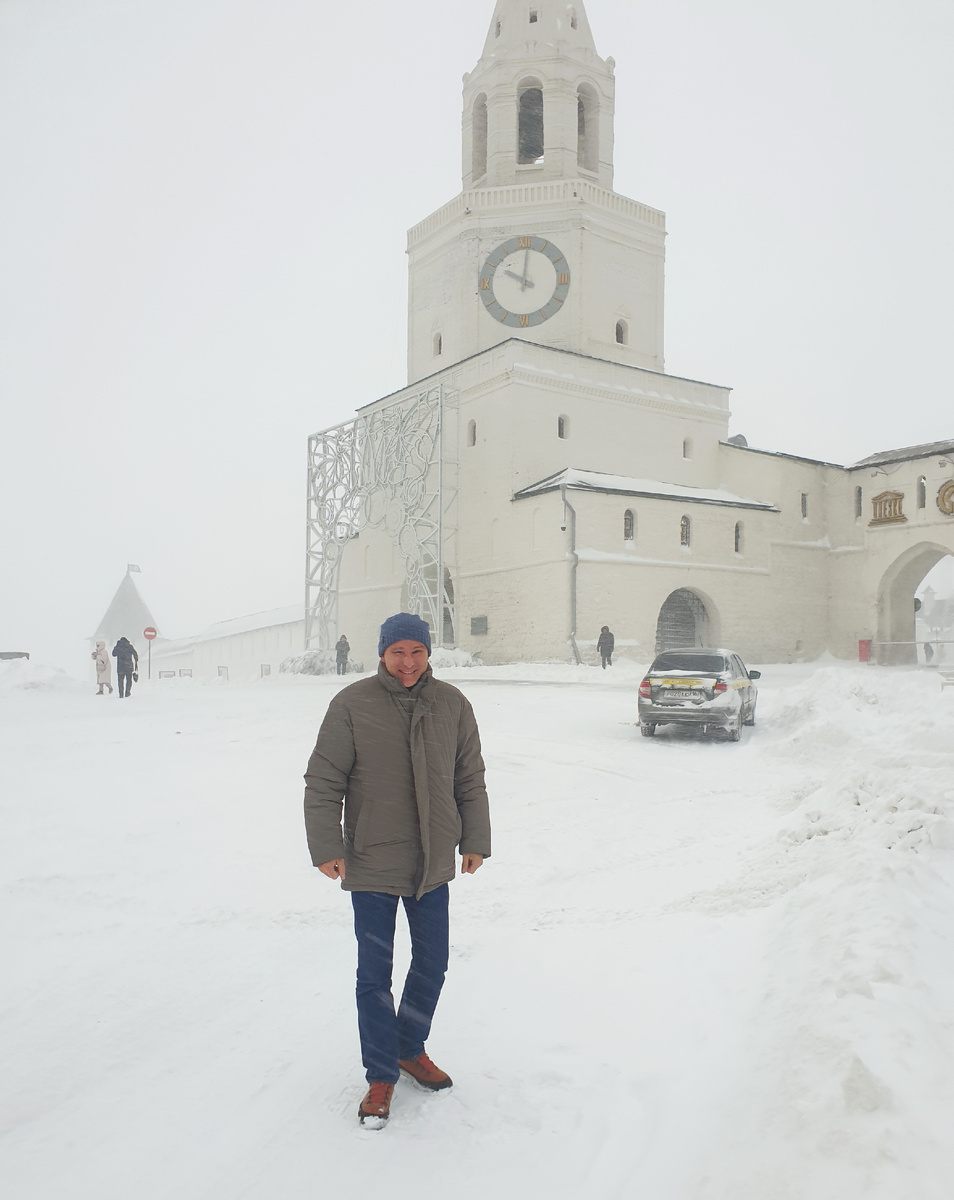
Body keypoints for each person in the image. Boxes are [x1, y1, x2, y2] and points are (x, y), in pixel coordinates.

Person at [303, 612, 491, 1128]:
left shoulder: (452, 704)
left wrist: (474, 838)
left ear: (429, 654)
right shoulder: (352, 704)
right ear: (381, 653)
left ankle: (410, 1047)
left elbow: (468, 777)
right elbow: (323, 781)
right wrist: (326, 845)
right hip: (371, 861)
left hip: (433, 862)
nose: (407, 663)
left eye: (417, 652)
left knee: (433, 964)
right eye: (397, 653)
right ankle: (381, 1073)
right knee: (374, 976)